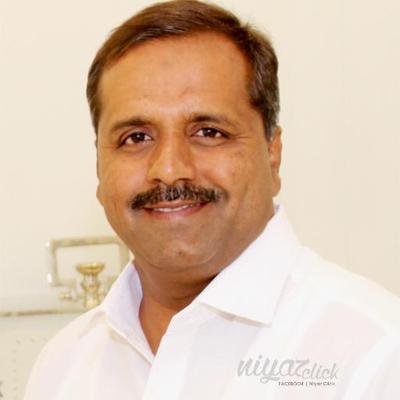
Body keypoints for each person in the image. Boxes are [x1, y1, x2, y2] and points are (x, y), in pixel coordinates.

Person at [24, 1, 400, 399]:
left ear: (272, 154)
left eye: (208, 132)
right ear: (100, 167)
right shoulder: (63, 366)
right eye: (136, 138)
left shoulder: (376, 355)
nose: (170, 169)